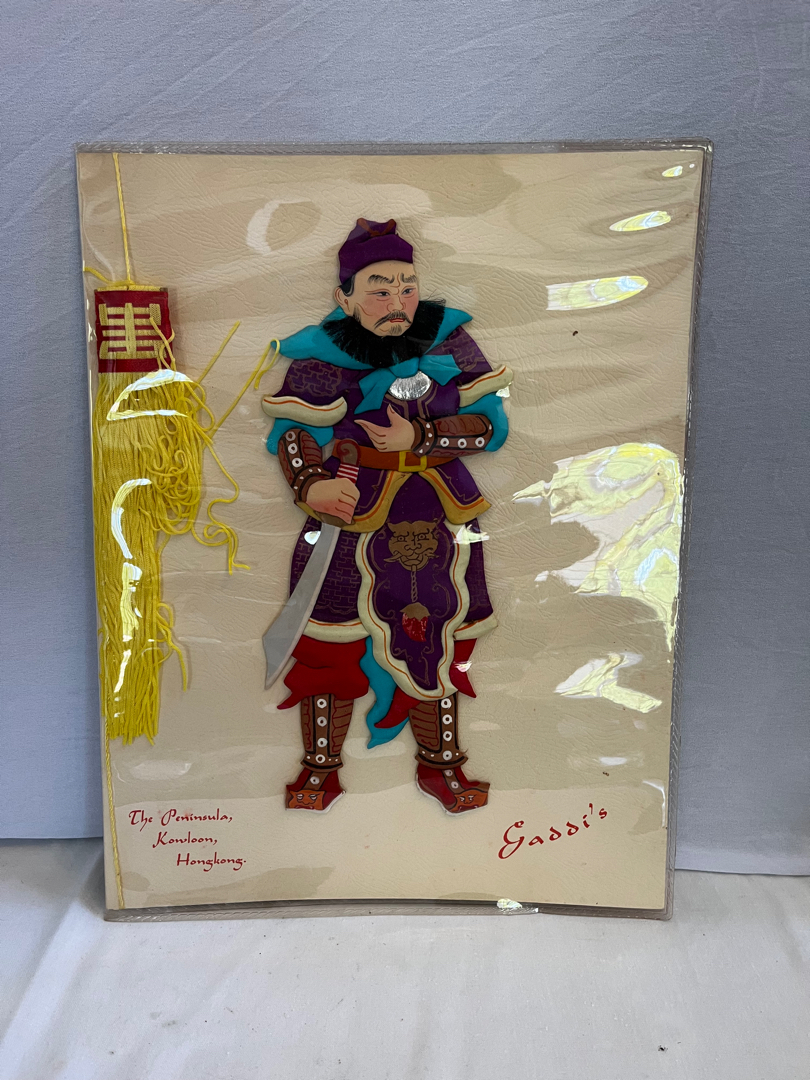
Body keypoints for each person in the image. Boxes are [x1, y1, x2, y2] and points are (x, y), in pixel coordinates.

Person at [263, 218, 512, 814]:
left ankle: (442, 765)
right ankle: (319, 770)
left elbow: (489, 426)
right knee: (328, 643)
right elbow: (293, 431)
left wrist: (420, 437)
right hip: (348, 509)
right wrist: (311, 484)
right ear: (344, 296)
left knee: (441, 635)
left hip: (441, 511)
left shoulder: (448, 340)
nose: (397, 301)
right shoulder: (322, 352)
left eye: (406, 286)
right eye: (379, 289)